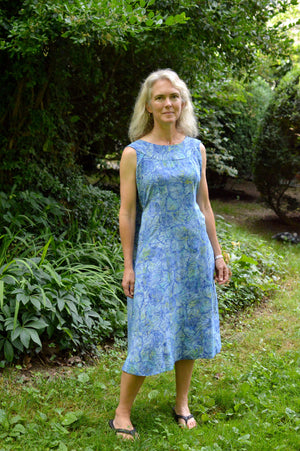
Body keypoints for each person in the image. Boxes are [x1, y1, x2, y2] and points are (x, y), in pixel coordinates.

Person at [109, 69, 230, 439]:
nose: (168, 103)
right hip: (155, 255)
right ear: (148, 105)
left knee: (189, 326)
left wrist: (218, 255)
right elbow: (127, 212)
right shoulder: (135, 153)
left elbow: (204, 205)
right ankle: (122, 412)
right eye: (160, 97)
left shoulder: (196, 148)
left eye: (174, 96)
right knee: (147, 331)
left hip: (194, 253)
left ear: (183, 103)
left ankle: (181, 403)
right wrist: (129, 265)